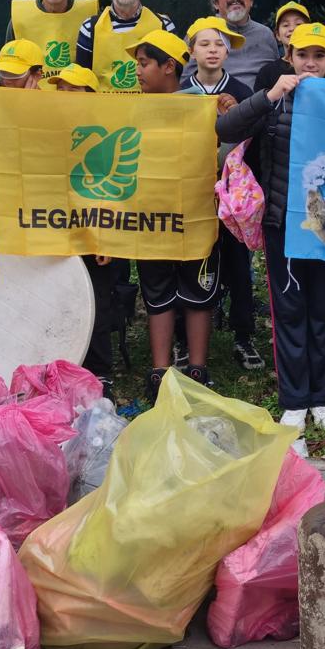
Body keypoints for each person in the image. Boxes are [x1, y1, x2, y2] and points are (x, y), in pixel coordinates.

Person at [216, 22, 325, 435]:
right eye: (303, 54)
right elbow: (226, 128)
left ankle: (322, 397)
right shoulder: (274, 97)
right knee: (288, 312)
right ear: (290, 55)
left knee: (322, 312)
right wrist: (269, 95)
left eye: (319, 56)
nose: (311, 62)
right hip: (282, 225)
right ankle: (293, 400)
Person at [127, 28, 221, 399]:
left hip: (195, 216)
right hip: (151, 218)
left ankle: (197, 369)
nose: (137, 70)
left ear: (169, 67)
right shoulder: (131, 109)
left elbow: (223, 155)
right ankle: (160, 371)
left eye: (144, 63)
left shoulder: (204, 105)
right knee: (157, 293)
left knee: (199, 292)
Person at [182, 15, 263, 372]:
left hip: (232, 197)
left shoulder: (244, 94)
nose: (212, 50)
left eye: (219, 44)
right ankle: (184, 342)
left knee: (238, 265)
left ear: (228, 51)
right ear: (191, 51)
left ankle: (243, 336)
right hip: (193, 194)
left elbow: (256, 144)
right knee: (191, 262)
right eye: (204, 44)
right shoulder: (181, 95)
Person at [42, 57, 119, 394]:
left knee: (97, 299)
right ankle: (60, 363)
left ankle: (100, 370)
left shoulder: (104, 134)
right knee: (56, 295)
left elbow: (113, 192)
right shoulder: (46, 130)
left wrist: (105, 238)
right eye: (61, 88)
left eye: (75, 89)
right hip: (54, 230)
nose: (66, 94)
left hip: (94, 233)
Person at [75, 0, 177, 91]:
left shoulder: (164, 25)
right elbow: (80, 82)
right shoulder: (89, 28)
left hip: (150, 111)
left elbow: (174, 80)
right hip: (103, 112)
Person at [190, 0, 281, 83]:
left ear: (251, 0)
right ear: (215, 3)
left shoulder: (266, 35)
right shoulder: (201, 34)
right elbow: (186, 84)